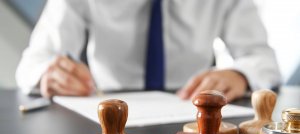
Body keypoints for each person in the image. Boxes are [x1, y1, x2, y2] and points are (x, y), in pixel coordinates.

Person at [16, 0, 281, 102]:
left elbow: (262, 59)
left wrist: (240, 74)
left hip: (192, 110)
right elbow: (33, 62)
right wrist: (48, 74)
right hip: (106, 108)